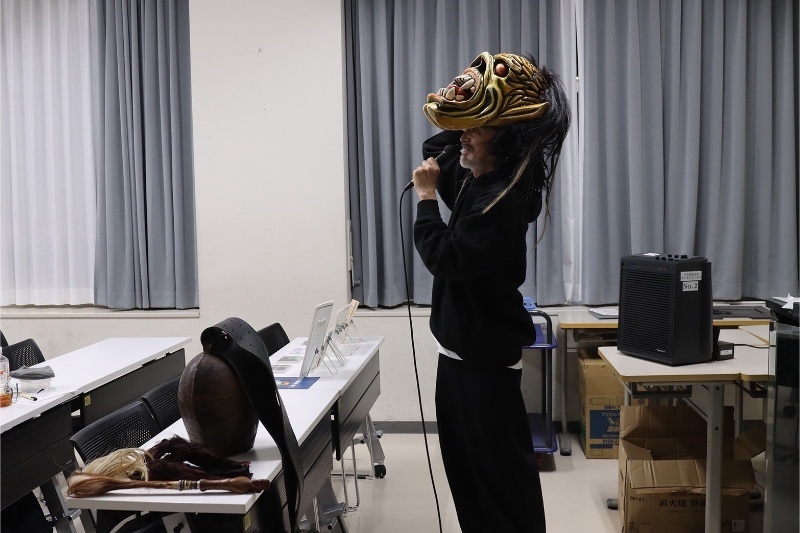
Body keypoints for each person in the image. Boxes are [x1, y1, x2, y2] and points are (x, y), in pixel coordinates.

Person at [411, 52, 571, 533]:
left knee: (500, 483)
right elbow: (436, 140)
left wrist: (425, 200)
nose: (464, 136)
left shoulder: (500, 197)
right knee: (469, 477)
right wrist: (472, 100)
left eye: (476, 129)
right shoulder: (475, 178)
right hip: (460, 358)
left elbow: (448, 259)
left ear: (504, 138)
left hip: (481, 366)